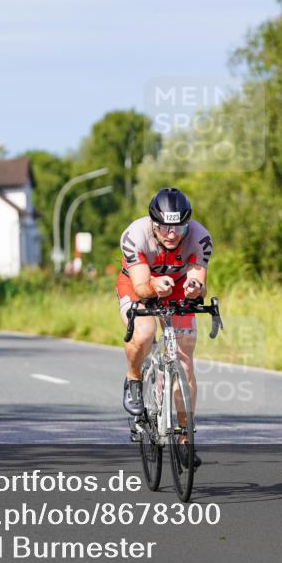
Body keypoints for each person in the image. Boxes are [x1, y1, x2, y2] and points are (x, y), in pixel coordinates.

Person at [117, 188, 212, 467]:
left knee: (184, 361)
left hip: (177, 285)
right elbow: (140, 285)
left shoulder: (199, 237)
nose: (172, 234)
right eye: (165, 227)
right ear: (153, 223)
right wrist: (153, 287)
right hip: (139, 285)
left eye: (179, 226)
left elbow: (199, 280)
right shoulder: (135, 235)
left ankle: (184, 436)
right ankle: (134, 378)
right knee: (144, 333)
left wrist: (195, 288)